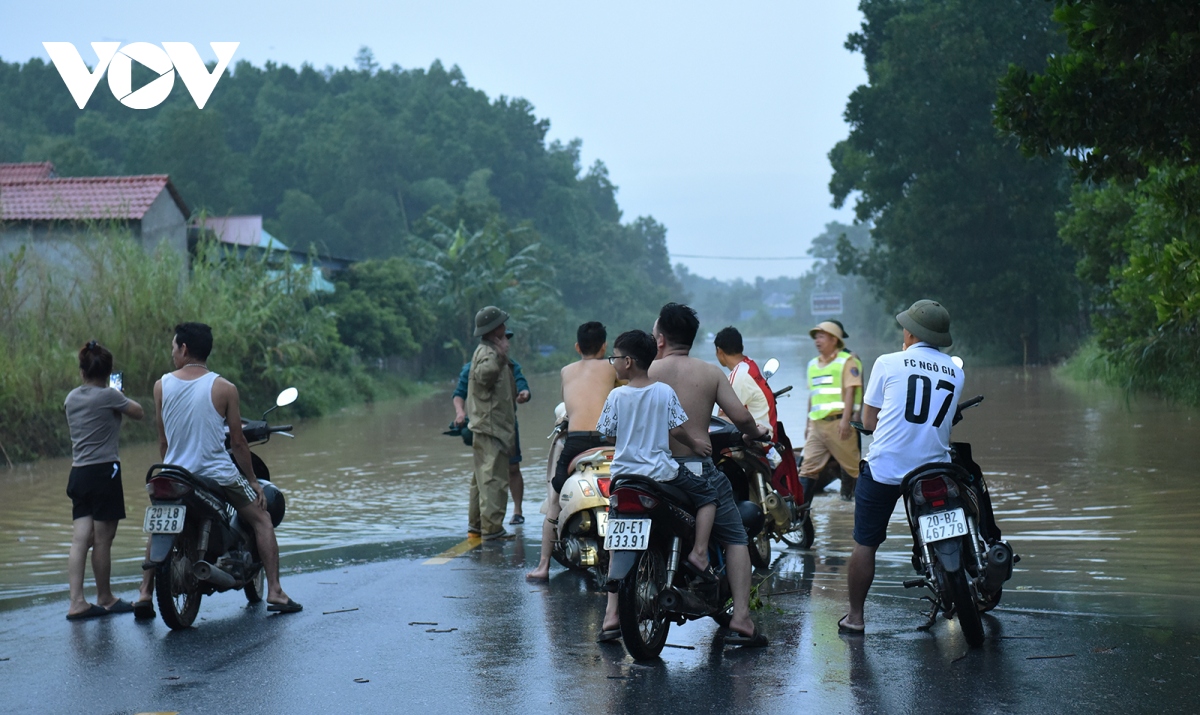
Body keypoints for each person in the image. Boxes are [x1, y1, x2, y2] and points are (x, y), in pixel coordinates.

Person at [135, 323, 301, 614]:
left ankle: (145, 594)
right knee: (262, 519)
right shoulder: (225, 388)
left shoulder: (161, 385)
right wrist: (254, 482)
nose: (172, 353)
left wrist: (172, 465)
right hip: (216, 475)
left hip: (175, 474)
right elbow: (237, 443)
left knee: (160, 519)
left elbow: (163, 440)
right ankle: (275, 591)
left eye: (173, 347)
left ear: (184, 349)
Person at [643, 303, 771, 646]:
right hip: (693, 470)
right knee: (735, 536)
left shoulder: (643, 372)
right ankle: (741, 619)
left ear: (659, 339)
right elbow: (742, 419)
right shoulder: (710, 373)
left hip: (645, 472)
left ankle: (613, 614)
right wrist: (757, 432)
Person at [840, 300, 963, 634]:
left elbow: (869, 420)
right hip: (934, 470)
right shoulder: (955, 369)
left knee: (866, 543)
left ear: (909, 332)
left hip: (885, 471)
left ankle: (855, 618)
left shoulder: (887, 362)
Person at [596, 330, 718, 641]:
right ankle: (700, 553)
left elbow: (608, 435)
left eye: (614, 357)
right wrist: (697, 445)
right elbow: (678, 431)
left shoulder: (615, 396)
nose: (612, 363)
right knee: (708, 498)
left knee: (616, 538)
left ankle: (611, 615)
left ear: (627, 361)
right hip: (661, 474)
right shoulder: (663, 392)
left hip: (623, 478)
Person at [526, 321, 619, 581]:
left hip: (576, 442)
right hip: (608, 441)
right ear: (605, 346)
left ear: (577, 346)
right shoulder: (613, 367)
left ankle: (544, 566)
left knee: (554, 499)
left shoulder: (566, 371)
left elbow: (567, 404)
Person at [63, 341, 145, 620]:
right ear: (108, 371)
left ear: (82, 371)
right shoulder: (110, 396)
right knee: (103, 539)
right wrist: (117, 393)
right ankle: (105, 597)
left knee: (80, 539)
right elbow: (138, 412)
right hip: (104, 472)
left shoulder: (71, 398)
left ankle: (77, 602)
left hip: (78, 473)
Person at [453, 329, 531, 525]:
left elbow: (522, 385)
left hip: (507, 425)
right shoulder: (475, 368)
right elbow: (459, 394)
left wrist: (524, 393)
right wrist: (460, 413)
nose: (507, 343)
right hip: (486, 426)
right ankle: (489, 526)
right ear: (495, 341)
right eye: (504, 339)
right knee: (486, 472)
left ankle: (516, 511)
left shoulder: (511, 366)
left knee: (512, 467)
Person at [466, 306, 518, 541]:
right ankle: (493, 528)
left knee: (481, 478)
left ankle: (478, 525)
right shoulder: (489, 353)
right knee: (493, 479)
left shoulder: (486, 350)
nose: (505, 328)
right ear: (494, 329)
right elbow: (484, 375)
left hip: (487, 424)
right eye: (502, 325)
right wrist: (499, 355)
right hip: (491, 425)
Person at [799, 320, 864, 501]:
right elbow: (813, 396)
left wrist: (848, 419)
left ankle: (864, 506)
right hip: (817, 426)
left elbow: (853, 390)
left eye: (821, 337)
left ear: (834, 340)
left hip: (838, 424)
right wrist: (808, 423)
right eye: (816, 337)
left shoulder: (848, 360)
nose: (817, 341)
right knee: (807, 469)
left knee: (853, 469)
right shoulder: (812, 364)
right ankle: (802, 518)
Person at [713, 326, 776, 433]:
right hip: (770, 434)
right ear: (741, 346)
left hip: (758, 441)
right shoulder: (750, 364)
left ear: (719, 351)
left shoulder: (738, 376)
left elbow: (722, 418)